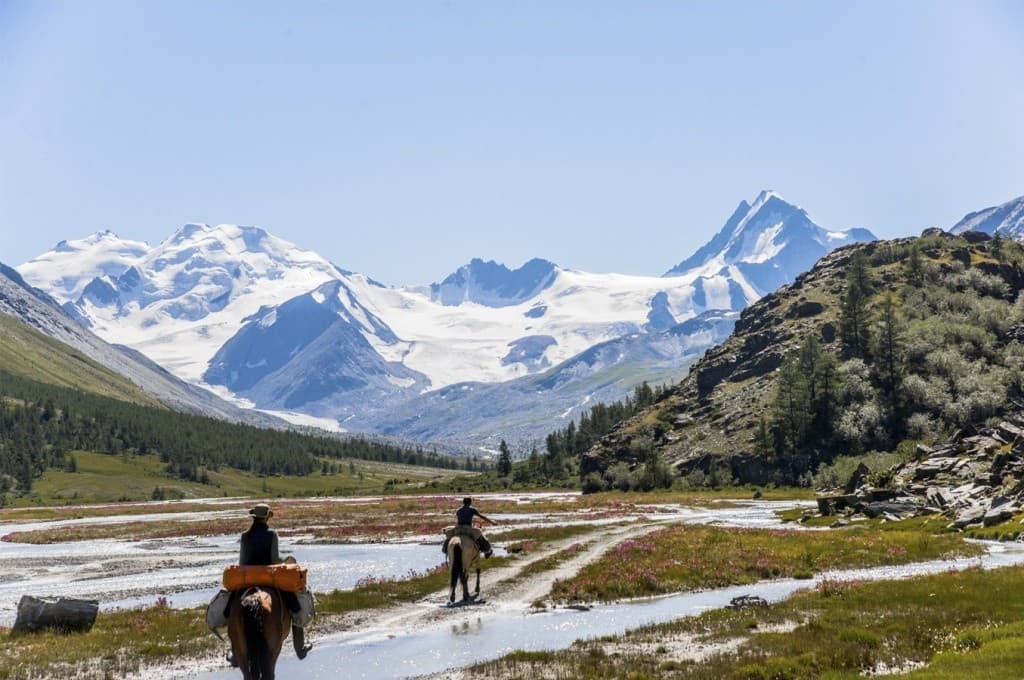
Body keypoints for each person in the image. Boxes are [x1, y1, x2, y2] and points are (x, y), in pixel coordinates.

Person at [234, 503, 312, 661]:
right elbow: (274, 560)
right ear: (266, 518)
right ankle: (300, 647)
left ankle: (235, 652)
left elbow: (242, 562)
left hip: (248, 577)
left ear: (254, 518)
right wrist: (287, 559)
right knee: (294, 605)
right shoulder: (271, 534)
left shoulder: (244, 536)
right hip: (269, 577)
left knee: (232, 605)